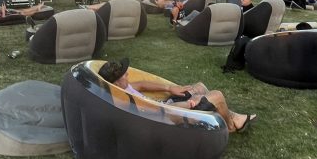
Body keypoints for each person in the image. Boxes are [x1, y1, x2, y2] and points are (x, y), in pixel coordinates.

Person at [98, 58, 257, 133]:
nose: (128, 75)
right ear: (115, 82)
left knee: (200, 87)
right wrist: (188, 104)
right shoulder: (123, 100)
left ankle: (230, 116)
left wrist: (170, 88)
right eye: (124, 75)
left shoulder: (125, 86)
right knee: (217, 95)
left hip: (166, 104)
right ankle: (230, 126)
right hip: (170, 114)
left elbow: (142, 85)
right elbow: (157, 112)